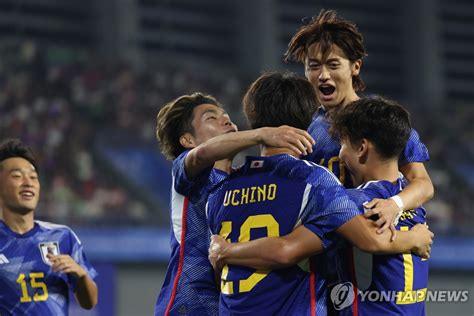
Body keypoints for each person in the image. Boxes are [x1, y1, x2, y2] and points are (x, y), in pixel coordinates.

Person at [206, 73, 433, 315]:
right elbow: (369, 238)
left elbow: (284, 249)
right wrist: (414, 238)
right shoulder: (409, 199)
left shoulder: (220, 189)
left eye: (342, 144)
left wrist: (225, 252)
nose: (340, 154)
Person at [154, 92, 315, 315]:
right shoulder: (186, 172)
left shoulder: (242, 183)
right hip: (187, 304)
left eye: (226, 115)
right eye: (211, 118)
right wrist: (261, 135)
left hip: (225, 306)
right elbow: (200, 156)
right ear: (188, 140)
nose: (226, 120)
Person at [285, 9, 434, 238]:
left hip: (375, 249)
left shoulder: (382, 119)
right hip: (326, 256)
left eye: (333, 65)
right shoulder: (304, 129)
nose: (323, 75)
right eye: (314, 66)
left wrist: (395, 204)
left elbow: (422, 183)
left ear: (355, 67)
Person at [0, 139, 98, 315]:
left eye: (33, 177)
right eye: (17, 176)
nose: (28, 183)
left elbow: (90, 302)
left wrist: (80, 274)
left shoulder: (62, 236)